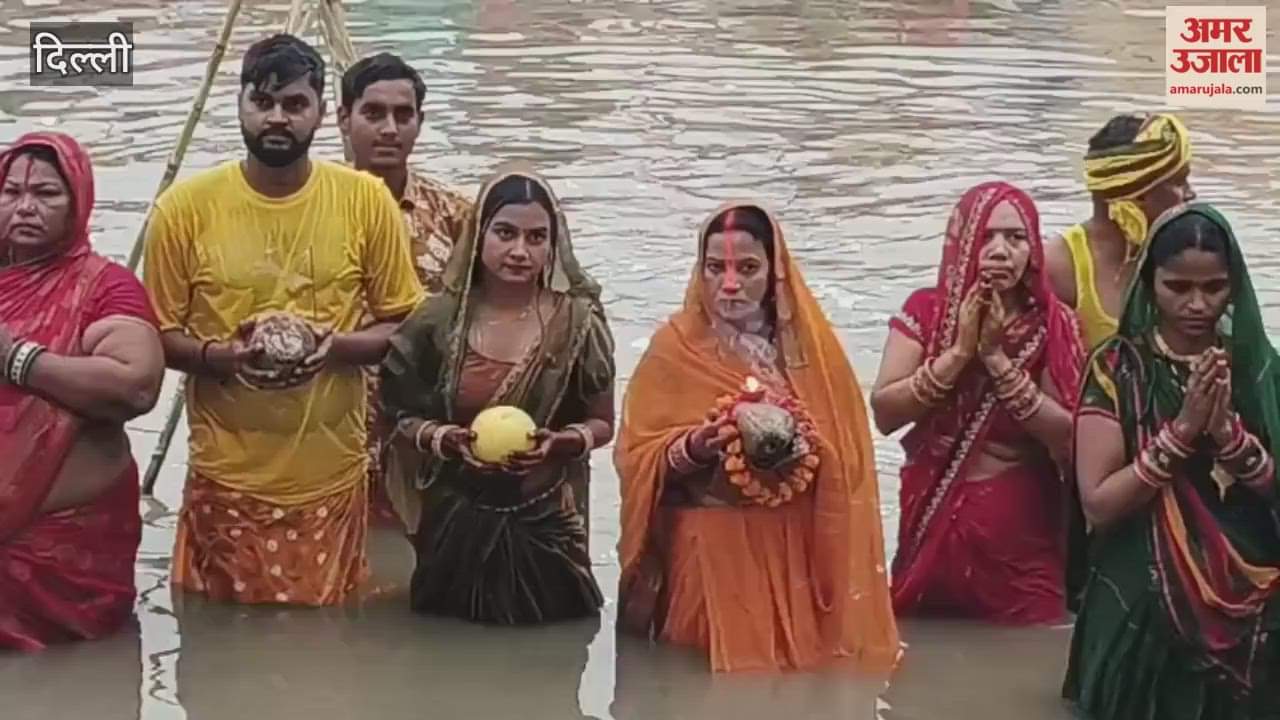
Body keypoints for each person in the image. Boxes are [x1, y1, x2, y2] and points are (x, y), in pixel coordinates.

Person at [141, 34, 424, 607]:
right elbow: (157, 336)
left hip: (332, 479)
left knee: (328, 669)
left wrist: (336, 347)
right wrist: (219, 359)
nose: (277, 118)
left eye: (294, 104)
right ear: (239, 104)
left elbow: (405, 322)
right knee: (216, 662)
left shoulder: (365, 200)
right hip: (224, 480)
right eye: (262, 102)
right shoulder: (183, 209)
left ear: (323, 113)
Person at [614, 202, 901, 673]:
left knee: (795, 683)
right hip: (708, 558)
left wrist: (801, 445)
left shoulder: (813, 356)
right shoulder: (673, 349)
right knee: (700, 693)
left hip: (792, 555)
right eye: (715, 268)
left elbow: (850, 459)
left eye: (747, 268)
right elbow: (634, 458)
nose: (730, 285)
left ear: (774, 273)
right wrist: (697, 445)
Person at [1064, 203, 1280, 719]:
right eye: (1177, 287)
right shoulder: (1117, 368)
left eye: (1214, 288)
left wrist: (1231, 440)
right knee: (1155, 618)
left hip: (1249, 558)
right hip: (1144, 557)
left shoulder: (1256, 370)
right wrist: (1181, 435)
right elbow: (1097, 504)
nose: (1198, 304)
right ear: (1150, 283)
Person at [379, 164, 615, 625]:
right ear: (478, 234)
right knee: (440, 661)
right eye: (505, 233)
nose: (520, 251)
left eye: (536, 237)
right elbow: (395, 413)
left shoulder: (577, 323)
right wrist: (444, 438)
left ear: (553, 245)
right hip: (454, 527)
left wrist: (562, 443)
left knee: (551, 671)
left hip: (546, 528)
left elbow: (603, 422)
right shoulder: (437, 322)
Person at [870, 182, 1085, 624]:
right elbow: (885, 413)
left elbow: (1070, 437)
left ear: (1033, 249)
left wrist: (996, 359)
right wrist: (958, 355)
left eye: (1015, 237)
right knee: (920, 654)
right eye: (985, 236)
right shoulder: (926, 312)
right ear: (963, 242)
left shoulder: (1053, 324)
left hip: (1020, 540)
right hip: (930, 524)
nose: (1000, 250)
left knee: (1032, 648)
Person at [0, 132, 165, 650]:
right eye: (11, 192)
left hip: (66, 559)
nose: (26, 206)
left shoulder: (104, 288)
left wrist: (17, 359)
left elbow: (137, 385)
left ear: (79, 200)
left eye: (47, 193)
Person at [337, 52, 473, 528]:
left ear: (420, 122)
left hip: (425, 428)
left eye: (403, 114)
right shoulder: (310, 209)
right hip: (333, 425)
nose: (390, 128)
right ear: (343, 119)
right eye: (373, 113)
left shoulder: (457, 216)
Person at [1045, 112, 1197, 350]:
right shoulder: (1060, 266)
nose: (1190, 194)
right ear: (1139, 194)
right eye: (1179, 182)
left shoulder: (1191, 257)